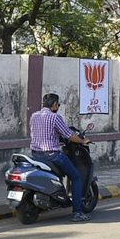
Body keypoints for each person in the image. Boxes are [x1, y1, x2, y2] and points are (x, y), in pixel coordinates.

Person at [29, 93, 92, 222]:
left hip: (35, 155)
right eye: (58, 104)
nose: (58, 106)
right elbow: (69, 135)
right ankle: (77, 212)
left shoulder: (34, 116)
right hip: (52, 155)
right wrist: (82, 141)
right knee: (76, 177)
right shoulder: (55, 117)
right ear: (53, 105)